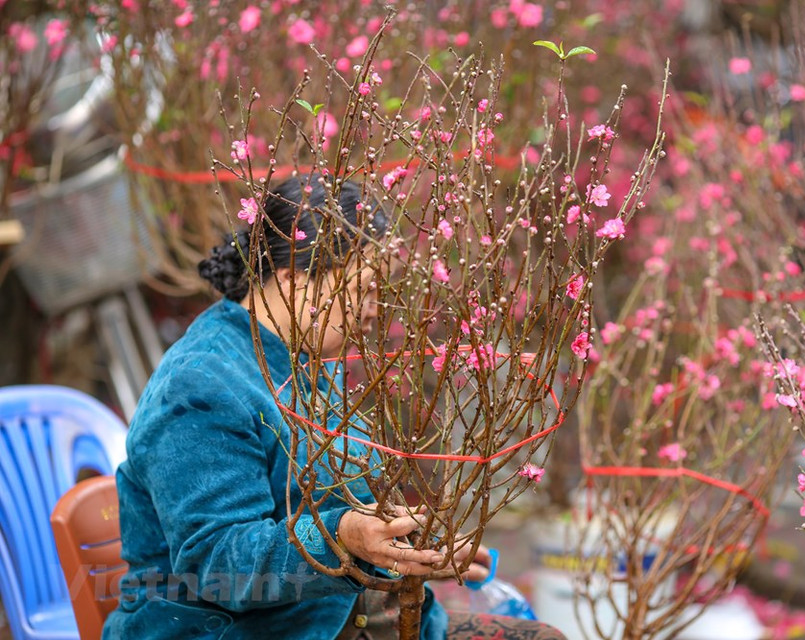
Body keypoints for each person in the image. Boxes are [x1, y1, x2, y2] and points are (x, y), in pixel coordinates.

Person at [103, 175, 565, 639]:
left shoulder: (304, 360)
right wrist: (341, 536)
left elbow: (341, 503)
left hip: (356, 619)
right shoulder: (199, 385)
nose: (373, 310)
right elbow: (220, 562)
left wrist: (409, 547)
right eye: (363, 290)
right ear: (292, 281)